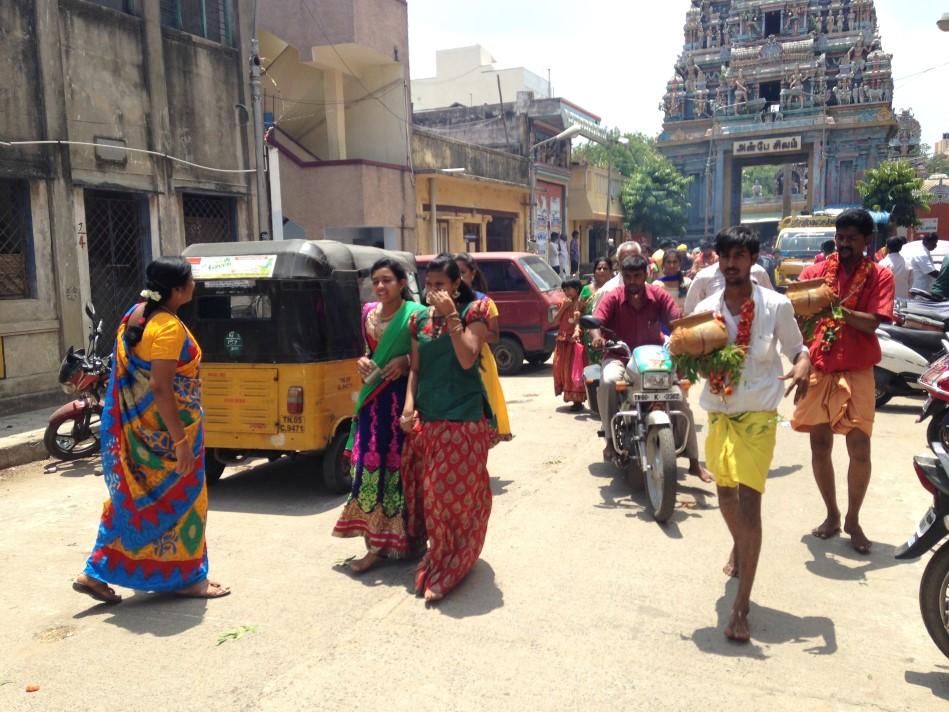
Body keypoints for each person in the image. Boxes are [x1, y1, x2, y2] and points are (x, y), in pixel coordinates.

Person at [73, 257, 229, 604]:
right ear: (177, 289)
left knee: (129, 503)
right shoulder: (168, 329)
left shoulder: (135, 315)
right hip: (169, 438)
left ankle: (94, 572)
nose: (194, 285)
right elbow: (160, 386)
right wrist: (181, 442)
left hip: (137, 435)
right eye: (190, 281)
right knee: (187, 503)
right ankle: (187, 579)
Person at [694, 225, 811, 643]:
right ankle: (742, 547)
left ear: (753, 259)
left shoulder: (776, 305)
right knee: (726, 499)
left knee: (749, 504)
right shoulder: (706, 307)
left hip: (759, 416)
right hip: (719, 415)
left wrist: (802, 365)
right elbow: (686, 346)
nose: (731, 264)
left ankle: (740, 607)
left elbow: (799, 349)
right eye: (725, 257)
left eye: (739, 257)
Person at [792, 208, 895, 555]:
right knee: (820, 446)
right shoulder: (816, 273)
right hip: (820, 367)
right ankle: (832, 514)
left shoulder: (879, 276)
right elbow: (797, 319)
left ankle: (853, 518)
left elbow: (873, 324)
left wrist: (836, 308)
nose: (845, 243)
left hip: (857, 370)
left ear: (868, 241)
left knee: (860, 448)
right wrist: (800, 358)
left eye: (852, 238)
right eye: (840, 237)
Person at [400, 254, 494, 603]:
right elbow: (415, 369)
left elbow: (468, 356)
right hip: (431, 420)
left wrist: (452, 317)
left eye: (441, 285)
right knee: (433, 501)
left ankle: (453, 563)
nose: (434, 291)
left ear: (456, 285)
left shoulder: (474, 314)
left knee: (452, 498)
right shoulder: (419, 322)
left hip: (464, 420)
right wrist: (409, 406)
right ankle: (441, 557)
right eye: (430, 285)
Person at [333, 259, 426, 573]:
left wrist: (403, 359)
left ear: (402, 283)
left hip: (402, 403)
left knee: (404, 473)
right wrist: (362, 361)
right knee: (370, 471)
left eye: (387, 280)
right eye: (376, 281)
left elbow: (426, 356)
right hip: (373, 403)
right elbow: (368, 351)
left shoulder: (416, 315)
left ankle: (409, 542)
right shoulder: (367, 313)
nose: (381, 286)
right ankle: (373, 545)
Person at [590, 255, 711, 482]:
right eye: (628, 277)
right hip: (621, 355)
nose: (633, 281)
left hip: (654, 358)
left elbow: (676, 320)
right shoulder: (613, 297)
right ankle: (609, 439)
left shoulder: (659, 295)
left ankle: (694, 462)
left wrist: (684, 337)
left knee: (679, 399)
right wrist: (597, 337)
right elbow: (597, 321)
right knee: (607, 381)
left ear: (646, 275)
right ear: (623, 277)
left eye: (637, 276)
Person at [455, 253, 512, 442]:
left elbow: (494, 335)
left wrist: (467, 333)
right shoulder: (444, 303)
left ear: (472, 274)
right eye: (455, 273)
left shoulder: (484, 302)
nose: (459, 277)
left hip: (480, 362)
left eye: (463, 272)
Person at [683, 256, 774, 314]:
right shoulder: (703, 276)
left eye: (738, 254)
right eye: (726, 253)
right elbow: (690, 312)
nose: (731, 262)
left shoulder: (758, 272)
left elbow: (770, 305)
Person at [552, 277, 587, 411]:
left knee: (574, 369)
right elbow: (555, 321)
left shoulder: (581, 303)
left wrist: (577, 331)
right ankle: (569, 396)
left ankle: (577, 400)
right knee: (561, 368)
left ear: (576, 290)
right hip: (562, 341)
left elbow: (579, 321)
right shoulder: (563, 303)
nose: (566, 292)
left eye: (568, 289)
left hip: (574, 341)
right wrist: (564, 307)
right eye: (564, 290)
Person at [580, 257, 614, 365]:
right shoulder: (586, 290)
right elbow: (578, 311)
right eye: (599, 268)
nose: (602, 271)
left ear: (611, 272)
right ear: (594, 272)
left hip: (609, 330)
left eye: (605, 268)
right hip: (590, 332)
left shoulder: (615, 289)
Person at [592, 241, 642, 311]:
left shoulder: (651, 292)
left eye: (634, 257)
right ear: (618, 263)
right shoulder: (607, 291)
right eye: (625, 258)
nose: (630, 261)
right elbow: (597, 320)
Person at [878, 236, 911, 301]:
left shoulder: (882, 263)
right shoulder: (908, 263)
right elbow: (911, 282)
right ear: (901, 248)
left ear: (887, 247)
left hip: (886, 300)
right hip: (903, 299)